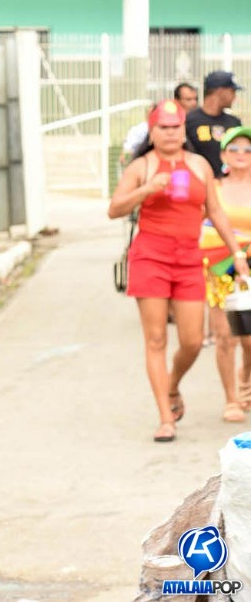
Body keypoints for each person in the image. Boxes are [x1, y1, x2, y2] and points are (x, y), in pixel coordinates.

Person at [108, 99, 249, 443]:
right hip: (150, 258)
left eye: (175, 127)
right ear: (152, 131)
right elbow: (114, 209)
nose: (170, 133)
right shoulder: (142, 166)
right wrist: (146, 190)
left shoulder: (199, 165)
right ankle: (165, 418)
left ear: (183, 130)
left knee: (192, 340)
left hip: (188, 259)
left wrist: (236, 253)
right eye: (163, 127)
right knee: (156, 339)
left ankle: (172, 385)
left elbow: (215, 211)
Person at [201, 126, 251, 422]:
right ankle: (231, 399)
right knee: (225, 336)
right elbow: (200, 224)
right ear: (223, 155)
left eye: (247, 149)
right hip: (220, 267)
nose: (241, 154)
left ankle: (246, 379)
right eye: (234, 149)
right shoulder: (214, 188)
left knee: (249, 340)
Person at [186, 70, 243, 178]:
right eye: (232, 91)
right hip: (199, 182)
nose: (234, 96)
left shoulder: (234, 122)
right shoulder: (189, 120)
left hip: (227, 184)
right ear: (220, 91)